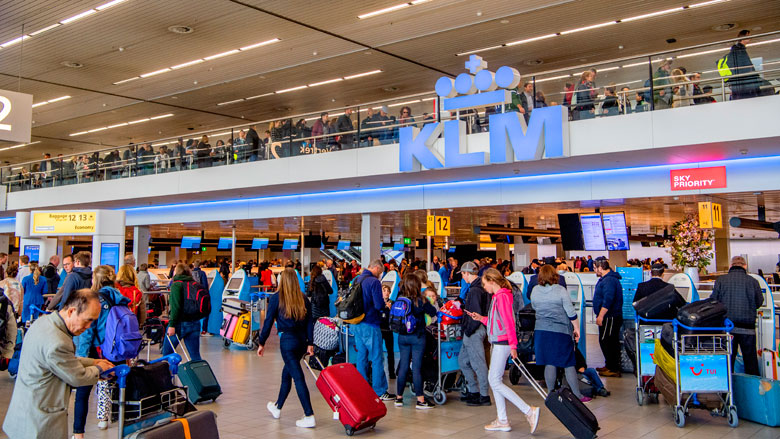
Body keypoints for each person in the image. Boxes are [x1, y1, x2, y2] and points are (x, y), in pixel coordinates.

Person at [2, 289, 113, 439]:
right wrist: (99, 369)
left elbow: (63, 361)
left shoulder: (44, 323)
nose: (88, 326)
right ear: (72, 311)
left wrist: (93, 362)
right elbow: (77, 377)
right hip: (38, 425)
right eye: (88, 320)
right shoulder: (57, 341)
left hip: (23, 416)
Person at [466, 268, 539, 433]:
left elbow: (509, 322)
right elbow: (497, 321)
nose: (484, 288)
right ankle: (502, 419)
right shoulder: (499, 296)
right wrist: (482, 318)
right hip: (499, 342)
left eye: (485, 284)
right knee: (495, 380)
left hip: (503, 343)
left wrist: (513, 345)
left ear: (492, 281)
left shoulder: (502, 297)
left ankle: (528, 411)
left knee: (495, 381)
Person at [72, 266, 130, 436]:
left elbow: (88, 331)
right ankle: (108, 419)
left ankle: (78, 433)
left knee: (82, 393)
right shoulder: (121, 299)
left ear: (95, 280)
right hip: (118, 350)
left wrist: (80, 356)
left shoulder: (94, 300)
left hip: (97, 350)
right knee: (114, 385)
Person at [257, 268, 316, 428]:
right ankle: (277, 407)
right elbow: (310, 322)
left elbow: (268, 322)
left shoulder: (276, 298)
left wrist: (261, 343)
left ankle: (309, 414)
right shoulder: (303, 298)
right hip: (301, 342)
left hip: (288, 342)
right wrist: (310, 343)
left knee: (298, 377)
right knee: (287, 374)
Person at [531, 265, 591, 403]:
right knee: (568, 363)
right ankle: (577, 395)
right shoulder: (560, 290)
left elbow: (534, 306)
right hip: (560, 331)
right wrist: (577, 329)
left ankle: (551, 394)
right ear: (554, 276)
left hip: (541, 331)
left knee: (549, 362)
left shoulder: (535, 290)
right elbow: (571, 312)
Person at [710, 256, 764, 376]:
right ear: (745, 266)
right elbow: (759, 302)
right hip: (748, 328)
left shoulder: (721, 280)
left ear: (731, 266)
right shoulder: (753, 281)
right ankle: (753, 390)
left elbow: (714, 301)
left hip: (728, 328)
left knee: (728, 360)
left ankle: (727, 391)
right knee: (750, 361)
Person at [392, 273, 437, 409]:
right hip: (417, 336)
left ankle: (398, 397)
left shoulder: (399, 298)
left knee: (404, 365)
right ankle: (420, 400)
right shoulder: (421, 300)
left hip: (402, 336)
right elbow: (433, 312)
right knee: (416, 367)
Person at [352, 260, 395, 400]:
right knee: (377, 357)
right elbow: (378, 305)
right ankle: (380, 390)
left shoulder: (357, 279)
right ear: (376, 268)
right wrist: (385, 306)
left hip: (356, 323)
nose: (380, 275)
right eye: (380, 272)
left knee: (361, 356)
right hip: (370, 323)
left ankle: (361, 388)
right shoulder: (373, 282)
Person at [459, 262, 491, 406]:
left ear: (466, 273)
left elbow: (475, 314)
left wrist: (469, 329)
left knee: (478, 364)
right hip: (473, 330)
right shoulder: (479, 288)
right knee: (463, 361)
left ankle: (484, 396)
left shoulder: (475, 291)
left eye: (462, 274)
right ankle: (474, 391)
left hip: (474, 331)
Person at [162, 263, 203, 361]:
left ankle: (170, 375)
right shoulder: (195, 285)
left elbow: (176, 307)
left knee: (167, 354)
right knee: (195, 356)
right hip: (194, 323)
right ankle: (199, 375)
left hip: (179, 324)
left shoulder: (176, 285)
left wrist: (172, 325)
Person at [592, 259, 623, 377]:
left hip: (610, 317)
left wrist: (601, 315)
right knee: (609, 340)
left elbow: (608, 300)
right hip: (610, 316)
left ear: (600, 267)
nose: (594, 270)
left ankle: (613, 367)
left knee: (607, 341)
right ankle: (609, 364)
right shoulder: (608, 279)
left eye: (595, 268)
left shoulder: (609, 280)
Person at [727, 30, 761, 100]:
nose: (750, 38)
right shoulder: (738, 49)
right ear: (743, 37)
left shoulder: (739, 49)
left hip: (744, 83)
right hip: (745, 83)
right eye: (748, 36)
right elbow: (744, 67)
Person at [379, 284, 395, 380]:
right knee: (378, 351)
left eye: (388, 291)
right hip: (380, 330)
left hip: (389, 330)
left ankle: (391, 372)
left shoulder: (392, 303)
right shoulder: (378, 304)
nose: (386, 293)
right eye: (384, 291)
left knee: (390, 352)